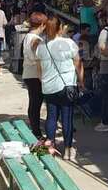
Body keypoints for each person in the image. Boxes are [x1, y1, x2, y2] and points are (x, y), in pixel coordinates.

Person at [36, 16, 84, 161]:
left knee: (51, 117)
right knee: (67, 118)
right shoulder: (69, 43)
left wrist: (44, 81)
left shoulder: (41, 46)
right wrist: (81, 81)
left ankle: (50, 147)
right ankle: (68, 150)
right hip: (66, 86)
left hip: (49, 87)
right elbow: (78, 63)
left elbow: (39, 69)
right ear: (60, 28)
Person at [23, 12, 47, 137]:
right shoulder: (36, 39)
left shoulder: (28, 36)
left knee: (34, 103)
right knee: (36, 104)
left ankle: (35, 128)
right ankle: (36, 131)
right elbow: (38, 58)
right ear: (42, 25)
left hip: (28, 73)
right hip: (36, 74)